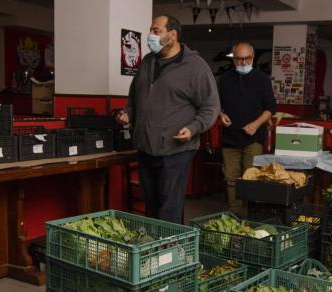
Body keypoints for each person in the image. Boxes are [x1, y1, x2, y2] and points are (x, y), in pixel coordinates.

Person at [116, 15, 220, 223]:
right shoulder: (147, 62)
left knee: (169, 204)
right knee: (151, 201)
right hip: (146, 145)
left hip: (176, 148)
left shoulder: (195, 67)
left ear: (172, 35)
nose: (150, 36)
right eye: (151, 30)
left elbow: (211, 106)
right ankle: (154, 248)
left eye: (156, 31)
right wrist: (128, 113)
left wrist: (193, 128)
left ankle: (168, 252)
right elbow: (134, 99)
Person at [218, 42, 277, 216]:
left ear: (253, 58)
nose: (243, 63)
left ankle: (252, 215)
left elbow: (270, 108)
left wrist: (256, 124)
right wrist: (220, 115)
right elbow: (215, 105)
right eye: (238, 59)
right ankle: (234, 215)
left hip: (253, 138)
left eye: (247, 59)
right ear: (233, 58)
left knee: (251, 178)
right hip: (229, 138)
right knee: (231, 179)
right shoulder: (225, 79)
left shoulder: (262, 79)